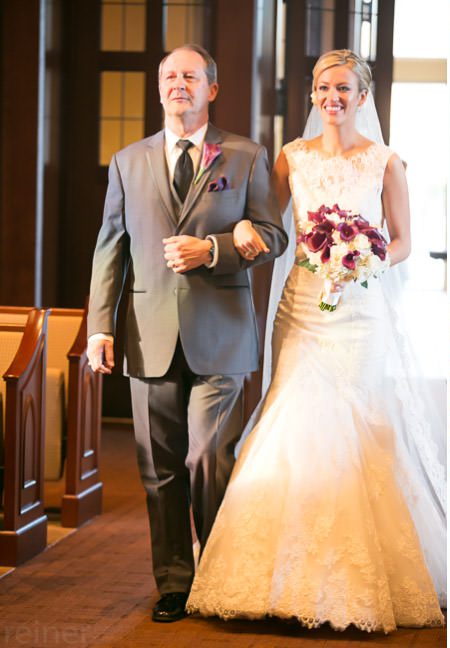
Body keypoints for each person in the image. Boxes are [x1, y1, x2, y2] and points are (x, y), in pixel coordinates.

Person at [185, 49, 446, 632]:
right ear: (312, 95)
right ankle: (271, 579)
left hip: (361, 309)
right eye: (324, 87)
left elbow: (402, 239)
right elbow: (272, 225)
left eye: (345, 88)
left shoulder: (385, 161)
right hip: (302, 305)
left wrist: (367, 259)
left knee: (356, 426)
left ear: (361, 97)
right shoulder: (291, 158)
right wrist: (246, 229)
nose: (333, 96)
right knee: (290, 418)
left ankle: (344, 583)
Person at [86, 44, 288, 623]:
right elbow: (110, 252)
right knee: (160, 469)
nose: (179, 83)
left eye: (190, 76)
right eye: (170, 76)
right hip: (148, 335)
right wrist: (101, 328)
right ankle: (175, 581)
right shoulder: (127, 161)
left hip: (221, 334)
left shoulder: (246, 156)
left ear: (212, 89)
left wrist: (215, 250)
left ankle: (222, 576)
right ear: (160, 89)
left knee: (208, 457)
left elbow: (273, 235)